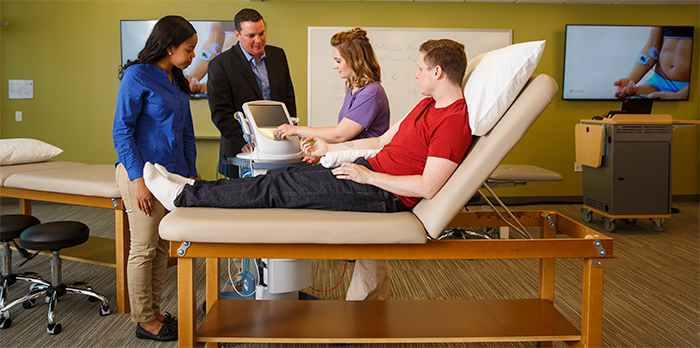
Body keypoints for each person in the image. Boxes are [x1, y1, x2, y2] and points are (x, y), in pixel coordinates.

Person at [144, 39, 471, 300]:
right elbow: (383, 140)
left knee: (276, 190)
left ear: (438, 71)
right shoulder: (427, 105)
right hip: (366, 172)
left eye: (419, 68)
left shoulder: (453, 120)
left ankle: (185, 195)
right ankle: (188, 187)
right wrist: (336, 153)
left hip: (381, 192)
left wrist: (368, 176)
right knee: (277, 177)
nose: (415, 74)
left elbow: (429, 186)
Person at [276, 27, 391, 301]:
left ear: (354, 60)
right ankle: (365, 311)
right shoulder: (355, 89)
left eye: (339, 60)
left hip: (364, 171)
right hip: (352, 162)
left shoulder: (371, 93)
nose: (335, 66)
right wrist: (324, 152)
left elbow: (341, 134)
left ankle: (365, 316)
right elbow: (344, 138)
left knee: (370, 250)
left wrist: (300, 130)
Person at [113, 15, 198, 342]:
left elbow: (187, 131)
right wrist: (137, 180)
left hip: (172, 175)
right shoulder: (137, 76)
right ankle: (144, 319)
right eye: (188, 49)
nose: (192, 56)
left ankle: (155, 311)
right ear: (169, 46)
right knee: (145, 246)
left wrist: (190, 170)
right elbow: (122, 132)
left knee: (163, 245)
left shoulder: (176, 79)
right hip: (142, 173)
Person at [208, 8, 296, 177]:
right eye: (251, 36)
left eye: (262, 33)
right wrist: (242, 143)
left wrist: (292, 133)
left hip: (278, 146)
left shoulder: (278, 55)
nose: (258, 40)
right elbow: (221, 112)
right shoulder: (221, 65)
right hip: (242, 149)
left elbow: (288, 99)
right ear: (237, 35)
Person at [614, 26, 692, 100]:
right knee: (623, 99)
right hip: (657, 83)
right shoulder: (664, 13)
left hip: (691, 88)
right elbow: (653, 45)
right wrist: (629, 80)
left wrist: (679, 96)